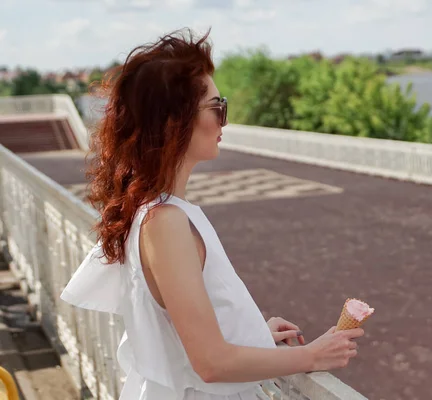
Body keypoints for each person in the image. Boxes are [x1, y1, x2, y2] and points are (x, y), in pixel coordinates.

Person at [60, 28, 364, 400]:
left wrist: (251, 333)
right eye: (217, 108)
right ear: (174, 122)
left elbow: (174, 329)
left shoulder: (150, 211)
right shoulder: (165, 221)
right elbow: (210, 362)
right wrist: (309, 355)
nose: (224, 122)